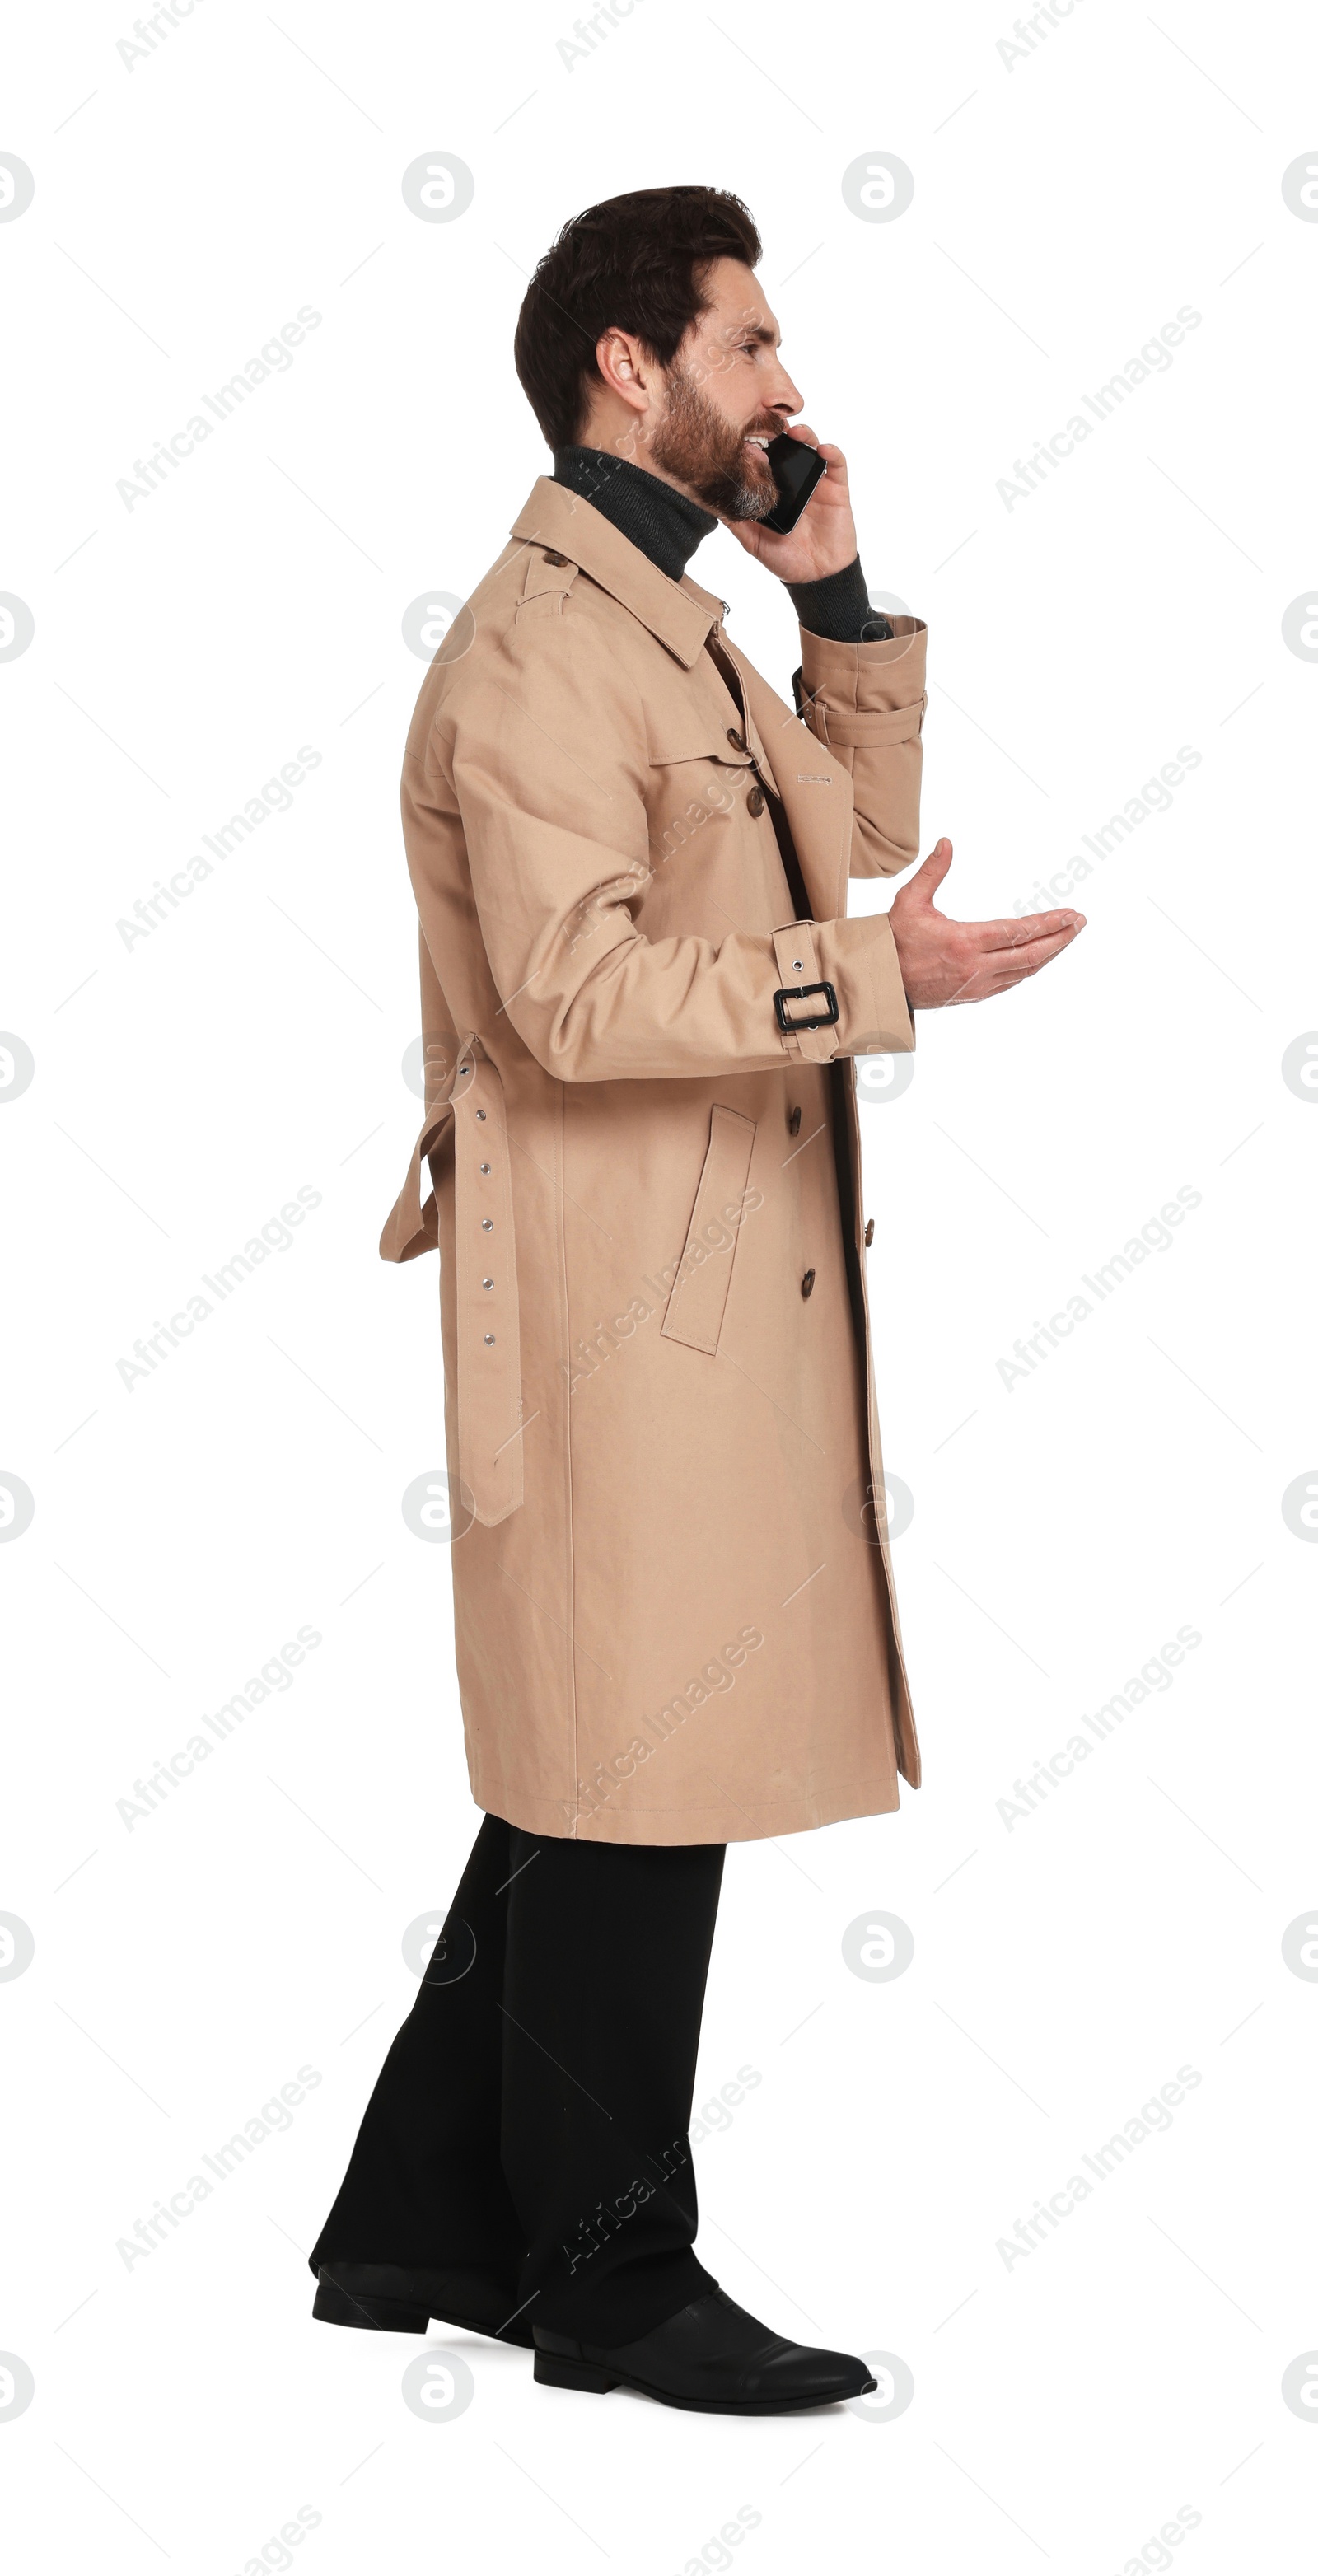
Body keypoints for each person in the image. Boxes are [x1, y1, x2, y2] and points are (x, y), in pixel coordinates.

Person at [308, 185, 1084, 2414]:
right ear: (626, 370)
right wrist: (876, 981)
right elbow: (566, 995)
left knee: (597, 1761)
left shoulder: (662, 618)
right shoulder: (544, 648)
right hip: (618, 1302)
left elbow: (847, 817)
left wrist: (825, 587)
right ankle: (610, 2277)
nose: (784, 385)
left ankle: (415, 2226)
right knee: (633, 1766)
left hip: (694, 1285)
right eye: (748, 345)